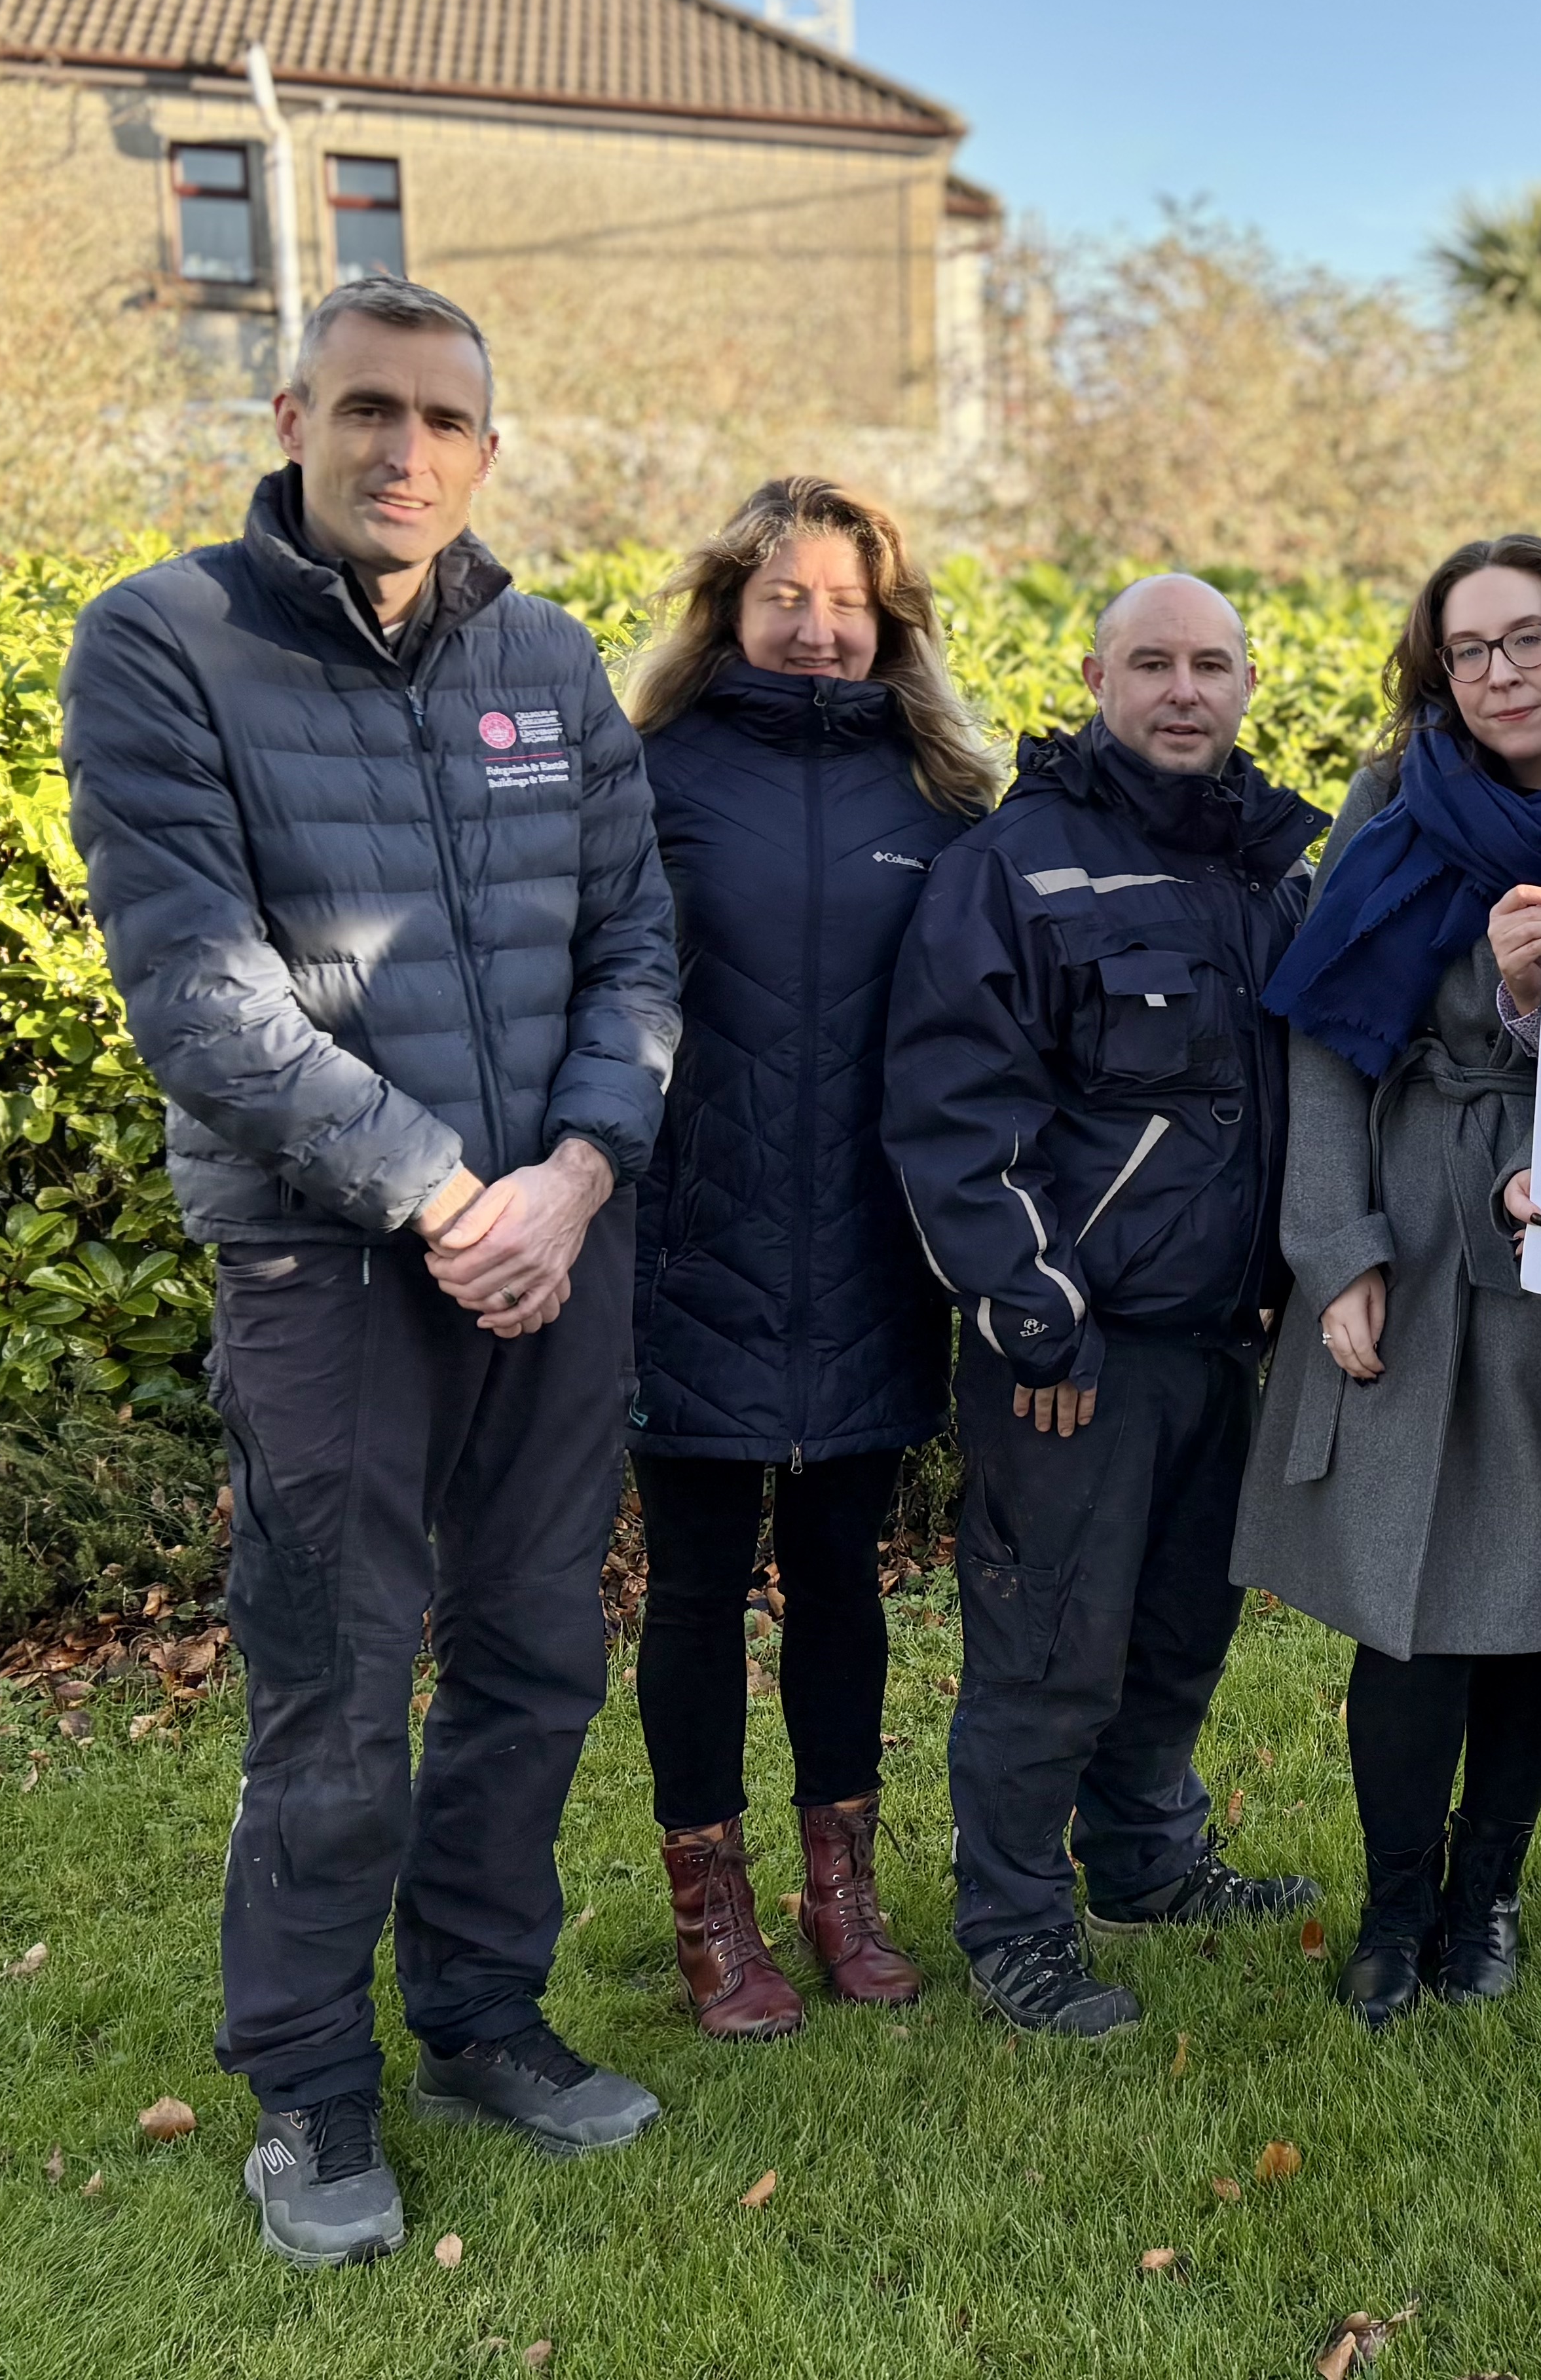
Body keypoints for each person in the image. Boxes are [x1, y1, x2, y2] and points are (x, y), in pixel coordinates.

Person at [56, 277, 679, 2267]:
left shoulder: (550, 659)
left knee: (532, 1658)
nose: (405, 451)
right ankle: (312, 2091)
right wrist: (442, 1199)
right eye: (368, 411)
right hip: (332, 1269)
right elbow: (198, 992)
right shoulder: (163, 645)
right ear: (292, 415)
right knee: (334, 1685)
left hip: (557, 1249)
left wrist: (574, 1179)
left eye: (444, 420)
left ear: (489, 449)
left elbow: (636, 952)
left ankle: (483, 2017)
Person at [883, 571, 1328, 2041]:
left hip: (1219, 1340)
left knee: (1180, 1628)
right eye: (1153, 662)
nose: (1183, 689)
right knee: (1054, 1644)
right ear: (1095, 675)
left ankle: (1146, 1858)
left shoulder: (1271, 866)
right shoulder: (1020, 865)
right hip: (1074, 1349)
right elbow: (956, 1113)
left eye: (1211, 663)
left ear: (1248, 684)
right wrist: (1035, 1315)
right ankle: (1013, 1918)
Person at [1236, 536, 1541, 2026]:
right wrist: (1335, 1249)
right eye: (1470, 650)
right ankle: (1393, 1899)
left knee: (1534, 1585)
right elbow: (1331, 1031)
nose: (1501, 673)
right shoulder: (1396, 801)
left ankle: (1488, 1897)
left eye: (1528, 639)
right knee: (1403, 1605)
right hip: (1410, 1222)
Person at [620, 477, 999, 2038]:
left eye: (848, 600)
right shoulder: (645, 773)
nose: (819, 625)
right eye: (787, 597)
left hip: (869, 1250)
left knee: (846, 1574)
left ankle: (841, 1883)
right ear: (730, 608)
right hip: (689, 1243)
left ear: (889, 617)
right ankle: (710, 1904)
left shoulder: (943, 788)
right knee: (701, 1584)